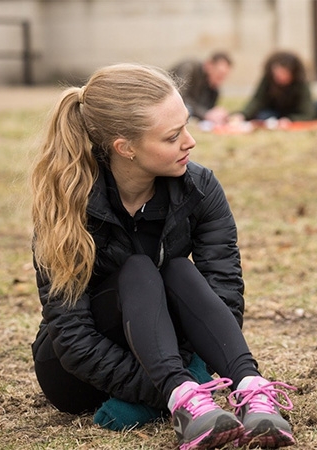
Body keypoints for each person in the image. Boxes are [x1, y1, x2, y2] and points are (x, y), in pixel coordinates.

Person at [29, 63, 296, 449]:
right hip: (77, 376)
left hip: (169, 355)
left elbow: (223, 297)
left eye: (186, 125)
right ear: (126, 148)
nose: (190, 142)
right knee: (137, 267)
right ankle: (181, 398)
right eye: (173, 136)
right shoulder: (67, 202)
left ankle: (252, 390)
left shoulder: (198, 190)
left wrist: (192, 375)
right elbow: (72, 337)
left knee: (176, 270)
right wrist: (174, 388)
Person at [234, 51, 317, 125]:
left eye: (283, 73)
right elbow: (257, 100)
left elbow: (307, 112)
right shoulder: (268, 80)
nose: (279, 77)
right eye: (277, 74)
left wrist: (291, 119)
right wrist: (243, 115)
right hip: (273, 114)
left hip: (294, 113)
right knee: (263, 116)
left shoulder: (301, 83)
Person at [170, 52, 233, 124]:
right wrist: (205, 114)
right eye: (220, 74)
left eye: (224, 76)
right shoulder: (189, 68)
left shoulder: (213, 89)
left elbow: (208, 110)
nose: (221, 80)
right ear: (209, 65)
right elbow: (179, 98)